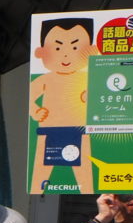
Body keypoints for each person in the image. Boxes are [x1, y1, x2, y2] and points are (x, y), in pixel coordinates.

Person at [29, 17, 96, 195]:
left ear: (90, 50)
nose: (66, 55)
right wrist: (35, 111)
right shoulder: (45, 79)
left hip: (79, 131)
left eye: (75, 48)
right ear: (41, 52)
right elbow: (30, 97)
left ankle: (88, 195)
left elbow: (99, 98)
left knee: (84, 175)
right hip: (49, 131)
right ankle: (38, 191)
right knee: (40, 174)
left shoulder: (86, 78)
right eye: (58, 48)